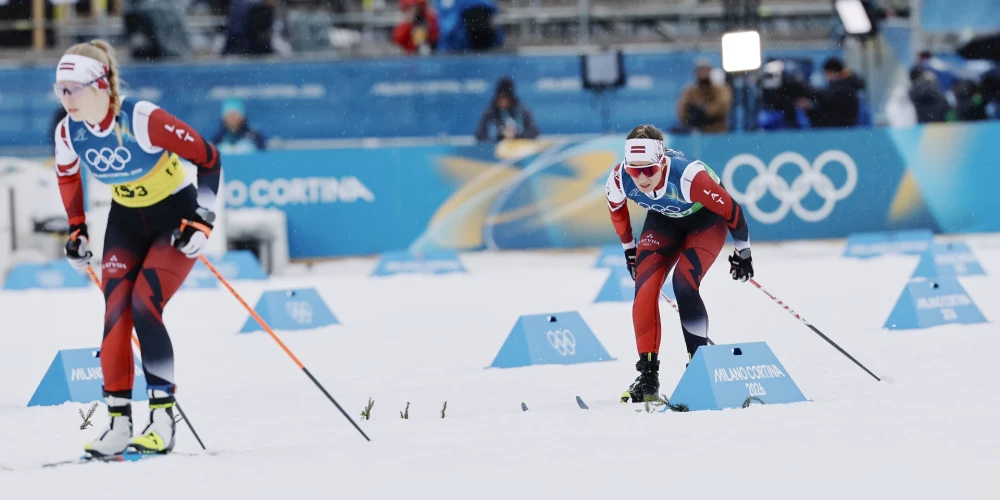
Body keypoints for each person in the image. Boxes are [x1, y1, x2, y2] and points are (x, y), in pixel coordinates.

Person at [52, 40, 222, 456]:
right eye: (60, 89)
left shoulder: (142, 119)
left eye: (73, 89)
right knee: (115, 313)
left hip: (174, 218)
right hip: (126, 222)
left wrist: (203, 220)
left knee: (145, 305)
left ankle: (162, 421)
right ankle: (118, 424)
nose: (65, 98)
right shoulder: (68, 130)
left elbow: (209, 158)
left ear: (100, 85)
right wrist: (77, 229)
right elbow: (68, 176)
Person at [605, 125, 753, 403]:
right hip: (663, 221)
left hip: (705, 221)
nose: (641, 178)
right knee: (644, 288)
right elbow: (617, 212)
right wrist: (629, 249)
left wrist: (743, 251)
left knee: (683, 282)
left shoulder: (688, 177)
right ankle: (648, 378)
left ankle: (698, 369)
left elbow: (731, 209)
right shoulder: (619, 178)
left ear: (662, 163)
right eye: (635, 170)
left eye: (648, 170)